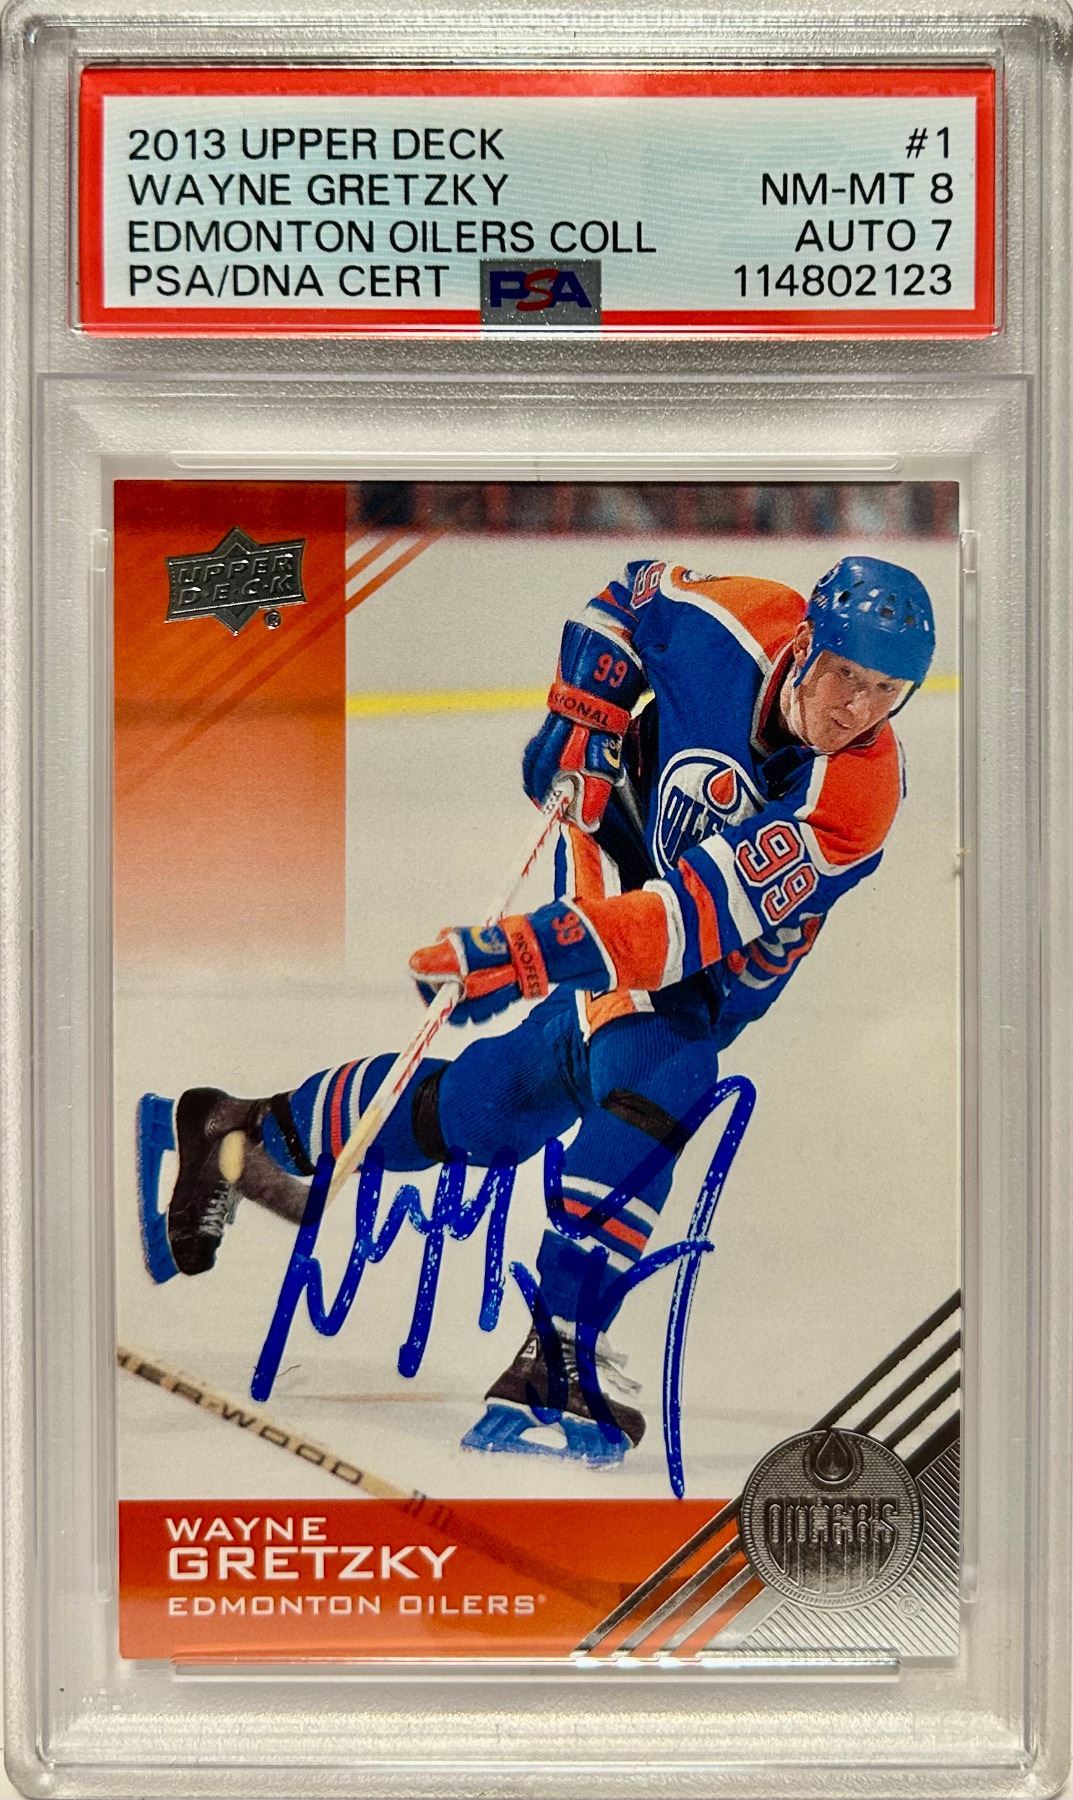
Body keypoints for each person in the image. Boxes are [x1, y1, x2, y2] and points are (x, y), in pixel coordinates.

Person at [139, 554, 936, 1468]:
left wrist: (527, 953)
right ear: (803, 646)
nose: (858, 708)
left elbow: (683, 927)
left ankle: (239, 1129)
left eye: (887, 691)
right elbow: (624, 597)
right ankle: (558, 1356)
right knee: (665, 1074)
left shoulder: (857, 795)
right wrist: (582, 714)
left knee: (490, 1109)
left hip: (680, 953)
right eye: (845, 675)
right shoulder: (734, 620)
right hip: (610, 870)